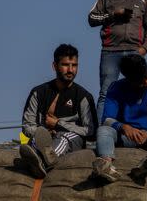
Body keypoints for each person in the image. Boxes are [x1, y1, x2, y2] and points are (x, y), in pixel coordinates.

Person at [92, 54, 147, 183]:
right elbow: (107, 119)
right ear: (129, 80)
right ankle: (106, 164)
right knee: (103, 130)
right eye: (142, 80)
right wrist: (124, 127)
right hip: (125, 137)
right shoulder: (115, 88)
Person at [88, 0, 147, 120]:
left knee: (137, 91)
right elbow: (92, 18)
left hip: (134, 51)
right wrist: (114, 14)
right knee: (106, 92)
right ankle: (102, 131)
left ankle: (134, 128)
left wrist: (144, 48)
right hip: (110, 51)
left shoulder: (143, 0)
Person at [19, 44, 97, 178]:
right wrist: (43, 132)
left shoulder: (84, 96)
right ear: (54, 66)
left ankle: (44, 161)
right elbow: (27, 125)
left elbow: (90, 130)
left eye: (74, 65)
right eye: (66, 65)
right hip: (44, 138)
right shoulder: (38, 92)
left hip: (72, 139)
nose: (71, 70)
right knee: (35, 139)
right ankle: (38, 156)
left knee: (64, 137)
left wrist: (58, 124)